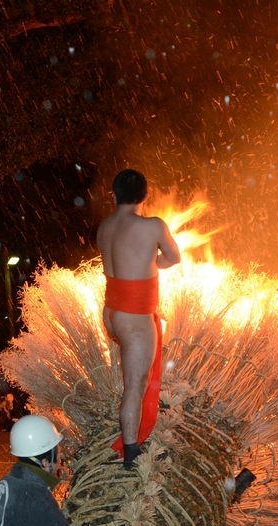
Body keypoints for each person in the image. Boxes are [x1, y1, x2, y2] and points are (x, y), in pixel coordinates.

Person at [97, 169, 181, 469]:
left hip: (112, 311)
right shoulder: (153, 226)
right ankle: (131, 454)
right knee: (135, 385)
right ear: (146, 195)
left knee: (133, 381)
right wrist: (153, 262)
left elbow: (118, 262)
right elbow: (173, 257)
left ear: (114, 195)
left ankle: (133, 443)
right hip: (135, 314)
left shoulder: (105, 227)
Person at [0, 415, 74, 526]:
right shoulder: (36, 496)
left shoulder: (5, 484)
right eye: (57, 452)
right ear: (45, 462)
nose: (60, 457)